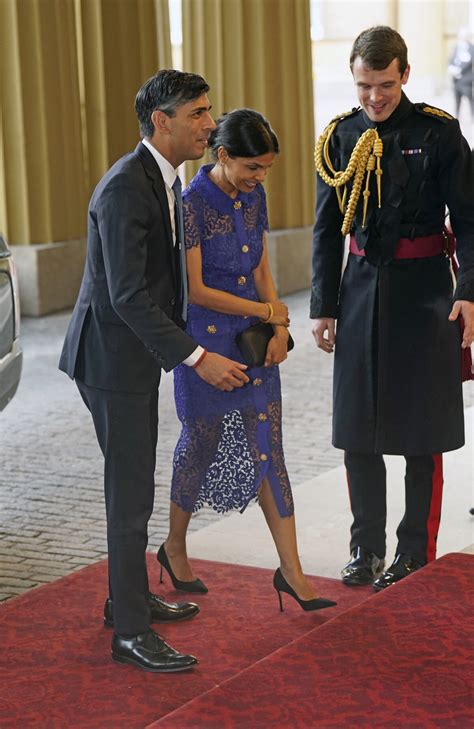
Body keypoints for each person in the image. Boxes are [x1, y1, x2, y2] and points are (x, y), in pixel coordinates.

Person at [59, 70, 252, 672]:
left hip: (133, 355)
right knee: (130, 491)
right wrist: (195, 356)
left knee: (135, 483)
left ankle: (128, 599)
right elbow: (127, 297)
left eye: (210, 110)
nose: (210, 123)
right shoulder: (125, 188)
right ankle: (131, 633)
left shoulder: (164, 179)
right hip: (111, 359)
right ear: (160, 121)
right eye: (197, 113)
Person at [311, 26, 474, 591]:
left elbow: (471, 223)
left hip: (426, 295)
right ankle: (365, 548)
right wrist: (322, 305)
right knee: (359, 429)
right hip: (358, 292)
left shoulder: (439, 133)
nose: (374, 97)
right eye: (363, 86)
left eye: (384, 84)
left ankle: (413, 552)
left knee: (419, 432)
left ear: (404, 74)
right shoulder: (339, 137)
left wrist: (468, 291)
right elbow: (327, 230)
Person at [157, 108, 336, 613]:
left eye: (265, 169)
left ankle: (292, 572)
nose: (259, 179)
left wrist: (277, 325)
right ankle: (173, 547)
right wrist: (268, 311)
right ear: (223, 156)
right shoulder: (190, 204)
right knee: (200, 442)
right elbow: (195, 290)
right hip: (206, 343)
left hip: (254, 340)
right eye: (251, 168)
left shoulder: (253, 196)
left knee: (268, 448)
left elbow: (260, 263)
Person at [447, 28, 474, 120]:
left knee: (470, 99)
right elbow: (451, 59)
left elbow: (470, 61)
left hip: (466, 80)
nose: (462, 38)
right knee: (457, 100)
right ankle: (457, 117)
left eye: (464, 36)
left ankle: (472, 116)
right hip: (456, 80)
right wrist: (451, 68)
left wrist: (460, 69)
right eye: (460, 36)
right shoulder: (456, 47)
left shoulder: (471, 48)